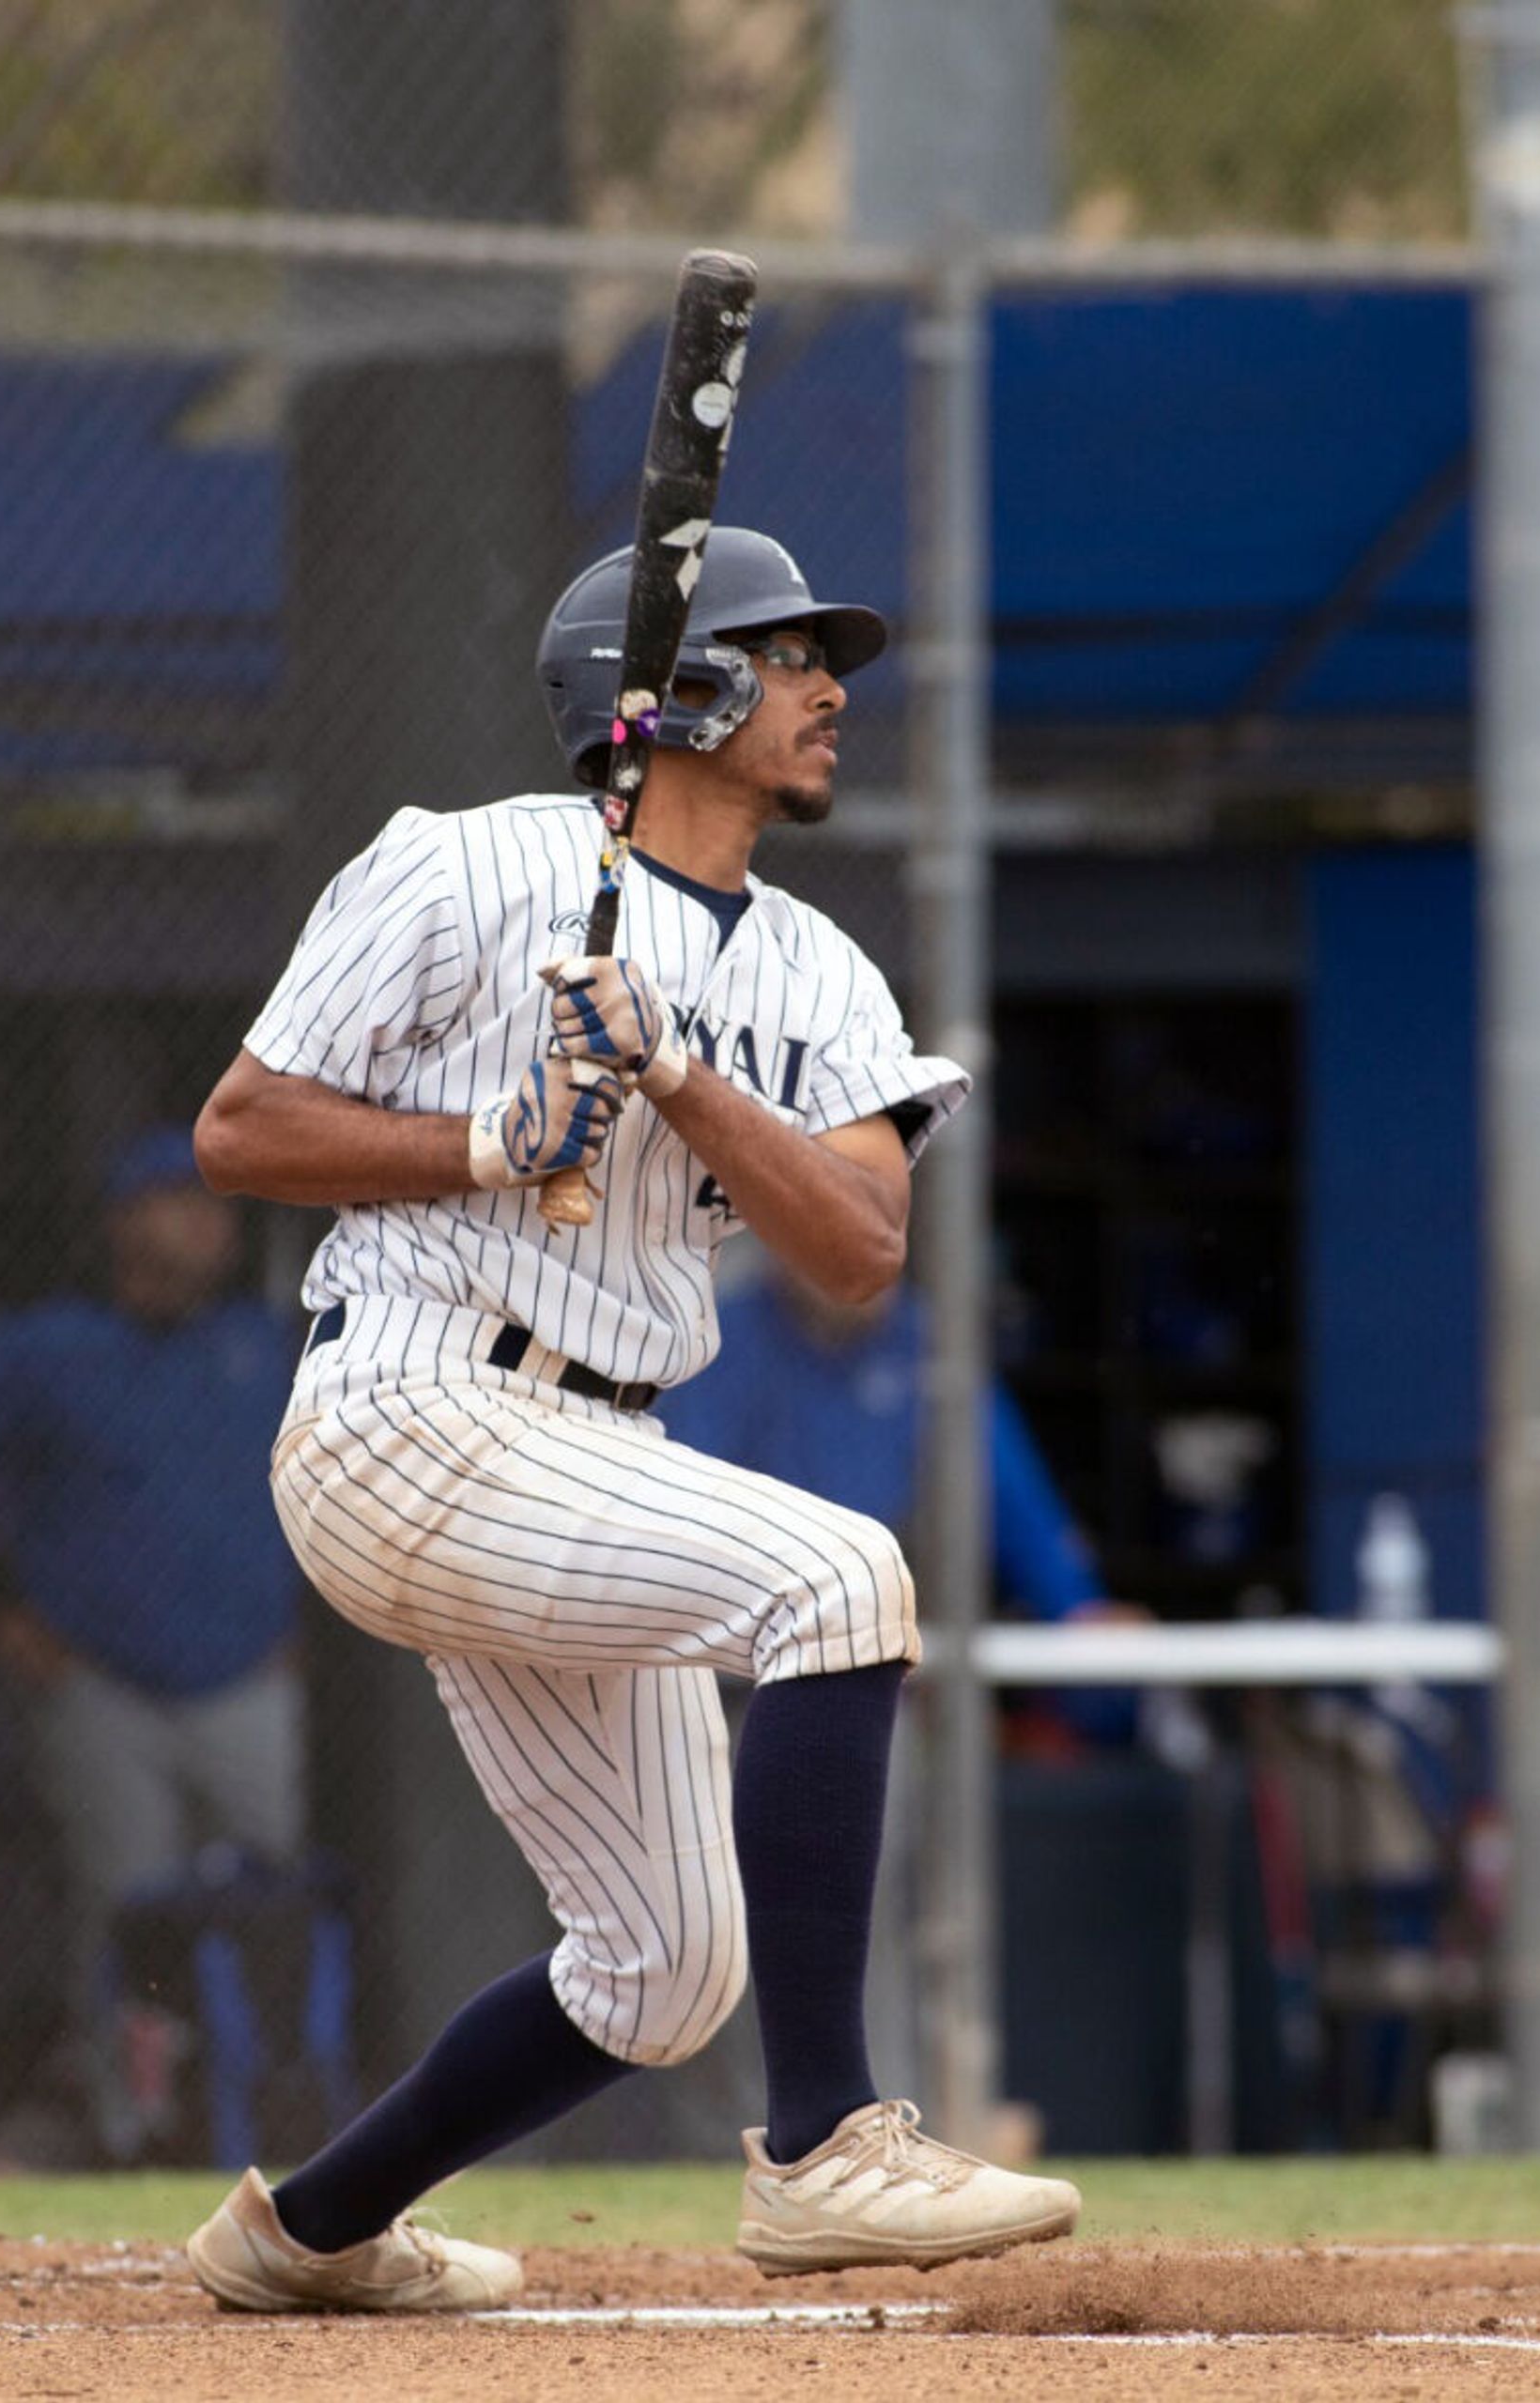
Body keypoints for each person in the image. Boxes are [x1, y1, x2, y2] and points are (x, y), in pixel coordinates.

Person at [178, 531, 1080, 2311]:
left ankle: (304, 2230)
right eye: (789, 655)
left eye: (831, 660)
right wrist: (489, 1141)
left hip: (596, 1442)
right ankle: (827, 2145)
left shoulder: (824, 967)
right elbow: (242, 1127)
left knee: (665, 1970)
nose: (831, 692)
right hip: (411, 1397)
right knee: (840, 1573)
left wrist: (676, 1068)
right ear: (678, 691)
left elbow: (860, 1248)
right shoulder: (469, 868)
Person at [0, 1127, 308, 2158]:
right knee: (127, 1918)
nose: (205, 1223)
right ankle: (138, 2130)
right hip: (104, 1686)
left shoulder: (265, 1349)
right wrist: (0, 1612)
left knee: (271, 1908)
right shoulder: (48, 1351)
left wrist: (308, 1630)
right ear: (124, 1218)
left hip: (247, 1681)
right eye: (177, 1199)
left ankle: (268, 2115)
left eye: (215, 1205)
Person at [661, 1266, 1143, 1753]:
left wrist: (1077, 1605)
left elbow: (1012, 1497)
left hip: (886, 1668)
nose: (871, 1240)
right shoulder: (721, 1340)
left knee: (920, 1730)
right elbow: (682, 1536)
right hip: (745, 1671)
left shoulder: (925, 1340)